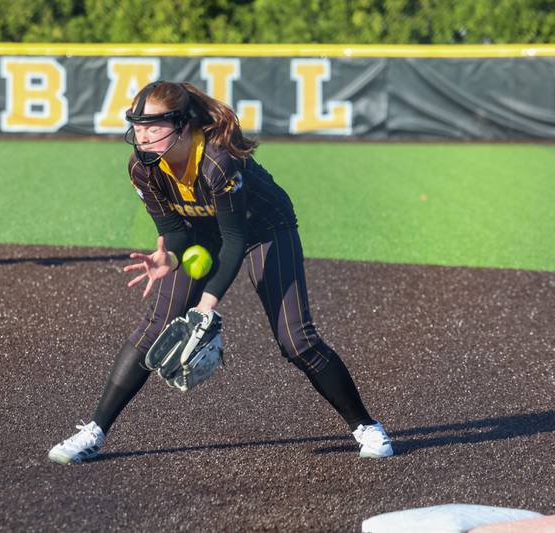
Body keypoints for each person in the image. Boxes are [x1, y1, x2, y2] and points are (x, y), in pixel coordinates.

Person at [48, 80, 393, 465]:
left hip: (264, 229)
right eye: (138, 126)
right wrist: (170, 259)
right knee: (154, 326)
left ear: (182, 125)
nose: (142, 137)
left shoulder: (217, 160)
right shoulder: (142, 168)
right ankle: (94, 432)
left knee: (296, 340)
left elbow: (234, 239)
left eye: (153, 126)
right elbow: (176, 234)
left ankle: (366, 426)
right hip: (203, 231)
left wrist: (206, 306)